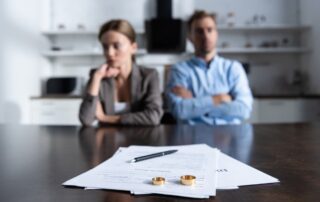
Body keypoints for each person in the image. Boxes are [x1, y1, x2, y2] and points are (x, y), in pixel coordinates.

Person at [166, 10, 253, 125]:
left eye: (210, 30)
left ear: (216, 33)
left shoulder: (233, 68)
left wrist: (195, 104)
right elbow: (180, 110)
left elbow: (244, 109)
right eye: (199, 31)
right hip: (192, 137)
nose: (205, 36)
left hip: (229, 136)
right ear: (190, 37)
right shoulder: (179, 70)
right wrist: (218, 99)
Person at [79, 19, 163, 126]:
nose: (109, 53)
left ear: (133, 48)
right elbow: (86, 119)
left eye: (116, 46)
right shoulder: (98, 76)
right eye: (105, 47)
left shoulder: (149, 76)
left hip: (140, 139)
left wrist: (105, 118)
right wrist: (97, 77)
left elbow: (153, 117)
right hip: (108, 140)